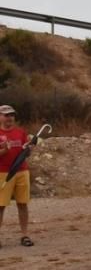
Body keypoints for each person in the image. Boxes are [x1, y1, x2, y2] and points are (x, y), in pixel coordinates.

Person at [0, 104, 35, 248]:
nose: (10, 118)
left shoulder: (21, 132)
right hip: (3, 173)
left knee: (22, 204)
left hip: (22, 171)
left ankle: (25, 235)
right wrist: (4, 151)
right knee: (0, 206)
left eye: (12, 115)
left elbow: (26, 152)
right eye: (6, 115)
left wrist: (29, 149)